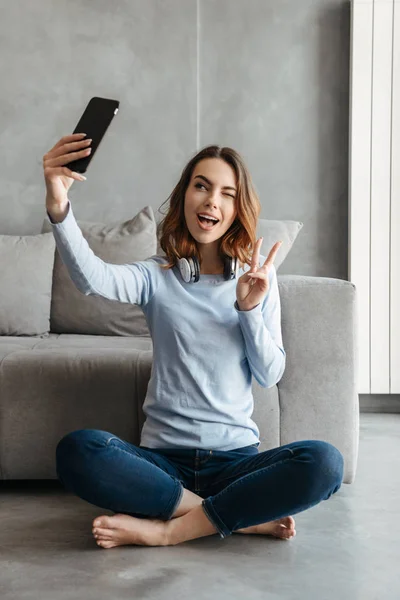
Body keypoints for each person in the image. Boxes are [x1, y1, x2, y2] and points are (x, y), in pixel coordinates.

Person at [42, 133, 344, 549]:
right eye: (201, 186)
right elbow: (91, 279)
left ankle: (170, 529)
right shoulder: (156, 276)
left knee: (325, 463)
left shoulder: (256, 282)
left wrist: (249, 310)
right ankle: (230, 516)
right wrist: (59, 205)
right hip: (163, 464)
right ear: (185, 195)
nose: (211, 201)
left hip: (237, 459)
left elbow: (269, 373)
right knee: (78, 450)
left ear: (238, 209)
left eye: (226, 193)